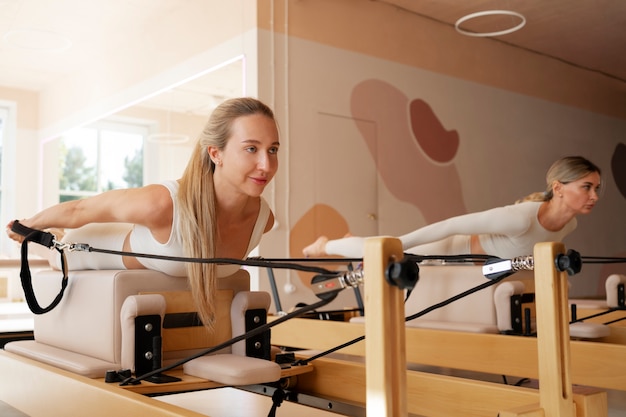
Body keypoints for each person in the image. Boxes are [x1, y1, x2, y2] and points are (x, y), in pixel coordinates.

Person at [6, 97, 280, 330]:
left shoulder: (262, 220)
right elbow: (83, 208)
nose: (265, 165)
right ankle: (39, 240)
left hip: (143, 235)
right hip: (98, 244)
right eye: (251, 149)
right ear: (215, 153)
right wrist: (27, 226)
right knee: (57, 252)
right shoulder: (163, 203)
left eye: (273, 150)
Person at [302, 156, 601, 260]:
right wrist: (403, 243)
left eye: (596, 188)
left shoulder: (569, 224)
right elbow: (452, 224)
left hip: (474, 264)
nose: (594, 196)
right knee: (385, 250)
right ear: (559, 188)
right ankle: (325, 246)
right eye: (586, 187)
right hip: (450, 246)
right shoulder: (521, 218)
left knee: (384, 251)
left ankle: (342, 241)